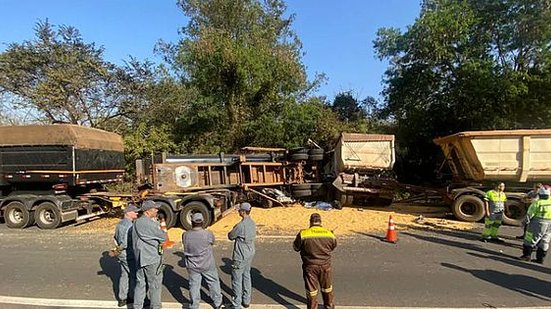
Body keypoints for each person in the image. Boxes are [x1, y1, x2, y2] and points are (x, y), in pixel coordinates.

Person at [293, 213, 337, 309]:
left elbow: (296, 247)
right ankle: (329, 306)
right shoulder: (330, 234)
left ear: (310, 222)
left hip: (310, 266)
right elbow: (333, 246)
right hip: (325, 266)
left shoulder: (303, 234)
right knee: (327, 288)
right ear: (320, 222)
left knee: (312, 291)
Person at [182, 212, 224, 309]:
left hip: (192, 265)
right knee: (213, 282)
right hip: (207, 263)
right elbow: (212, 242)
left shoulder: (185, 235)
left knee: (194, 285)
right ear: (202, 222)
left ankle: (194, 305)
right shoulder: (207, 234)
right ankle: (217, 302)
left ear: (192, 222)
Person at [132, 200, 167, 309]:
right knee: (155, 285)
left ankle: (137, 306)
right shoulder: (150, 223)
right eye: (154, 209)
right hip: (151, 257)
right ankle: (155, 306)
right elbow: (163, 237)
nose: (157, 210)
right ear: (147, 211)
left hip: (139, 257)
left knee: (140, 283)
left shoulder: (136, 222)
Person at [228, 202, 257, 309]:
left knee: (236, 279)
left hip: (241, 253)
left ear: (243, 212)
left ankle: (236, 304)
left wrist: (234, 228)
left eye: (240, 210)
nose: (238, 211)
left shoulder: (241, 225)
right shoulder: (252, 223)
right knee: (246, 275)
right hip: (250, 251)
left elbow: (231, 236)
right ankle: (246, 300)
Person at [114, 204, 140, 307]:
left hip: (121, 254)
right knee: (134, 275)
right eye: (135, 211)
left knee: (124, 275)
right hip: (128, 254)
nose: (137, 213)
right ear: (128, 213)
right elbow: (125, 242)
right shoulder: (130, 225)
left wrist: (117, 250)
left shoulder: (119, 224)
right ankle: (134, 297)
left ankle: (122, 298)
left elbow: (115, 237)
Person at [519, 187, 551, 263]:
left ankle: (526, 256)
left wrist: (524, 223)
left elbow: (529, 215)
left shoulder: (537, 203)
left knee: (530, 239)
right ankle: (540, 259)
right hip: (549, 223)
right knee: (545, 240)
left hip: (538, 222)